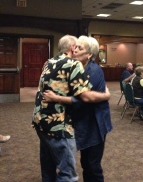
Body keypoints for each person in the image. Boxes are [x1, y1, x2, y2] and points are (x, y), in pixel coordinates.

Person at [32, 35, 111, 182]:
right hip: (71, 121)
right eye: (76, 47)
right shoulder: (70, 66)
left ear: (89, 55)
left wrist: (106, 96)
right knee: (69, 163)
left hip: (93, 123)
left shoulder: (93, 71)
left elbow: (84, 100)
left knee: (91, 165)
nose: (75, 50)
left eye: (80, 48)